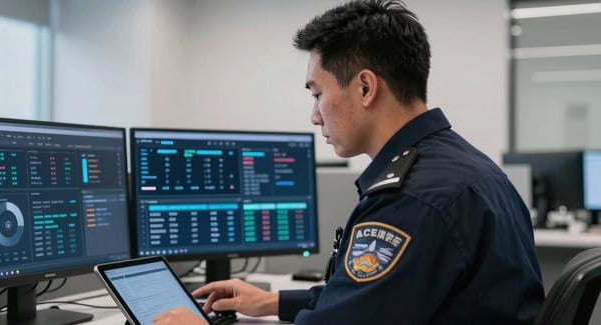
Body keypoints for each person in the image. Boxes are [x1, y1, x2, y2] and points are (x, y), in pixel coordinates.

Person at [153, 0, 545, 324]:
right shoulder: (462, 168)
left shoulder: (411, 201)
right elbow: (384, 298)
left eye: (317, 93)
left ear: (365, 87)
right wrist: (275, 303)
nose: (315, 115)